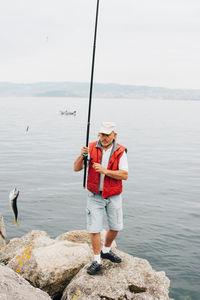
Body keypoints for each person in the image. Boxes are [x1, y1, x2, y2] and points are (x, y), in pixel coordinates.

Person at [74, 121, 128, 275]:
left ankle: (106, 250)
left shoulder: (121, 151)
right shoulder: (90, 148)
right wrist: (81, 155)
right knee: (94, 228)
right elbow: (76, 168)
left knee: (116, 226)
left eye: (107, 135)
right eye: (102, 134)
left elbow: (124, 174)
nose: (104, 138)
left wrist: (105, 171)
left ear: (114, 135)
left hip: (113, 195)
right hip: (94, 195)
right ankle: (96, 259)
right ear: (99, 134)